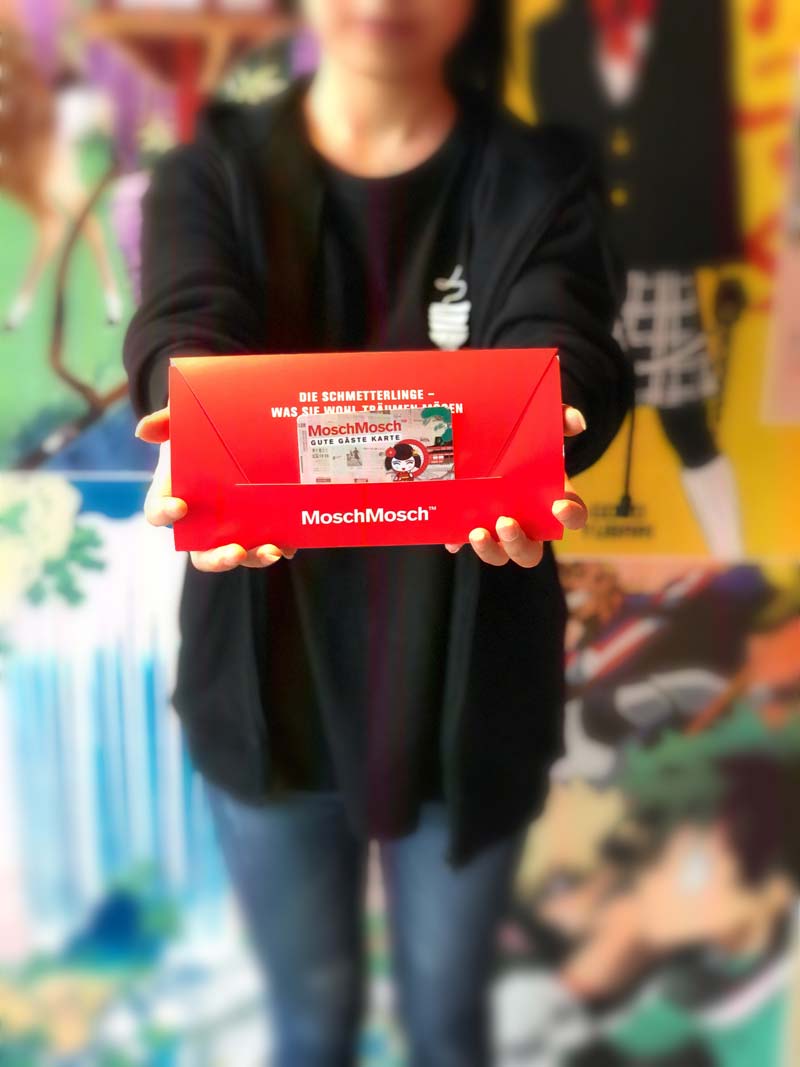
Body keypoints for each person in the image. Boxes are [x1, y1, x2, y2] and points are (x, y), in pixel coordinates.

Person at [123, 2, 632, 1064]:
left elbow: (562, 327)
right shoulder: (212, 173)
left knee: (447, 1021)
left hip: (468, 691)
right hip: (266, 685)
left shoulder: (539, 175)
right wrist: (190, 417)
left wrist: (552, 420)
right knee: (309, 1019)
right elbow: (189, 313)